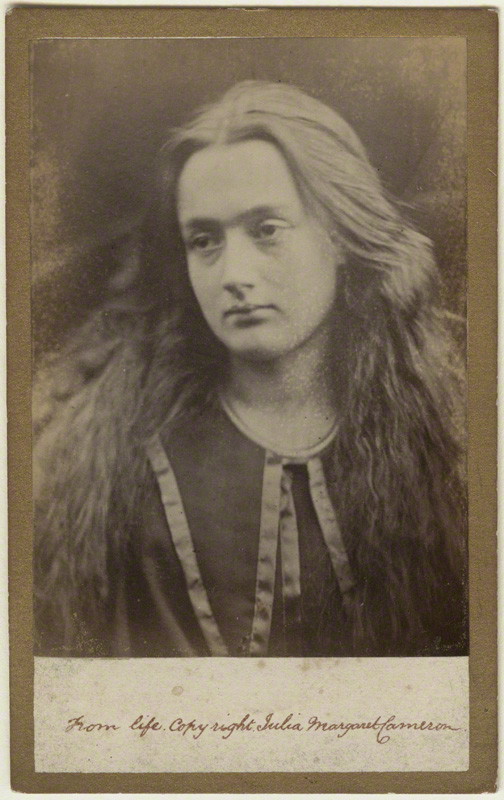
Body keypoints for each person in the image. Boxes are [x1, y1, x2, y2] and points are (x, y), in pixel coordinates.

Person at [33, 80, 468, 658]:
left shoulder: (450, 447)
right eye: (205, 240)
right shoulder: (118, 474)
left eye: (266, 230)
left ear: (339, 235)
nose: (233, 272)